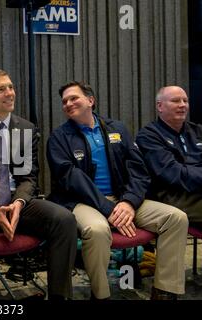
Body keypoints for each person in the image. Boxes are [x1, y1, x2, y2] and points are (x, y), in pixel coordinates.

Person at [46, 81, 188, 300]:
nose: (68, 103)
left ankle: (164, 293)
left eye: (74, 98)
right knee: (97, 230)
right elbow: (71, 179)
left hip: (122, 200)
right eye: (64, 101)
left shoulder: (117, 129)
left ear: (90, 101)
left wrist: (129, 202)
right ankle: (101, 295)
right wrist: (109, 208)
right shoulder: (58, 138)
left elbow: (139, 170)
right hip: (82, 202)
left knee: (176, 218)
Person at [0, 69, 77, 300]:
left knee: (64, 219)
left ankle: (60, 296)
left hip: (16, 197)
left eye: (10, 87)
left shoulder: (27, 129)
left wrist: (18, 204)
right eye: (1, 89)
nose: (10, 93)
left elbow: (29, 177)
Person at [136, 86, 202, 229]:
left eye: (185, 101)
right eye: (176, 101)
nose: (182, 105)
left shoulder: (197, 131)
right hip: (169, 197)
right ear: (160, 106)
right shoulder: (148, 136)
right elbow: (172, 173)